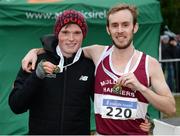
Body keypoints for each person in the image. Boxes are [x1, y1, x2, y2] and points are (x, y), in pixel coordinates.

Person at [20, 4, 171, 135]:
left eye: (125, 24)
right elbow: (66, 48)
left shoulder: (149, 64)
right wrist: (35, 51)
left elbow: (170, 108)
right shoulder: (97, 53)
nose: (120, 30)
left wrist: (141, 88)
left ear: (135, 27)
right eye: (114, 25)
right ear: (108, 29)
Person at [9, 10, 95, 135]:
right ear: (57, 34)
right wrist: (36, 77)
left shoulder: (89, 65)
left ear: (83, 35)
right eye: (65, 32)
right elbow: (16, 106)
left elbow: (102, 102)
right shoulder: (35, 60)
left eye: (77, 33)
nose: (71, 39)